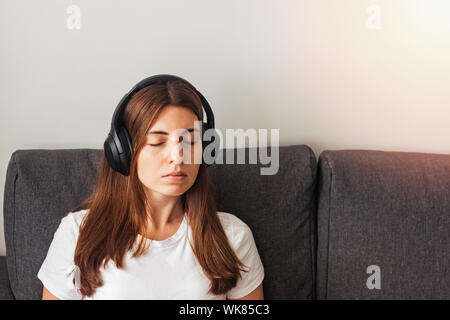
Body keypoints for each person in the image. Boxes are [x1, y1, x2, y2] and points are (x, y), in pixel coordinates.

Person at [37, 75, 265, 299]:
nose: (178, 157)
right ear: (123, 152)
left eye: (191, 141)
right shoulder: (78, 233)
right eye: (158, 141)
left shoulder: (232, 236)